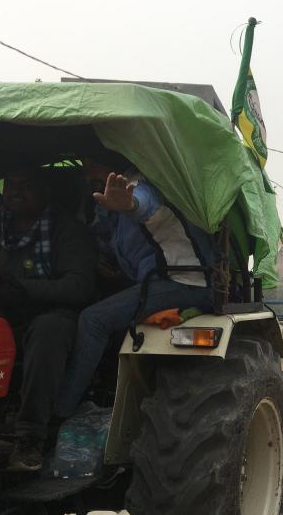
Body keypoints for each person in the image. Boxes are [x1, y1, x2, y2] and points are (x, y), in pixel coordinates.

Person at [55, 162, 213, 419]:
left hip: (184, 283)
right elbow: (102, 233)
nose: (87, 174)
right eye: (85, 169)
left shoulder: (137, 184)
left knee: (92, 320)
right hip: (153, 281)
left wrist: (129, 204)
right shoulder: (107, 206)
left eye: (92, 166)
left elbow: (141, 203)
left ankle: (58, 414)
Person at [0, 167, 97, 470]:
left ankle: (30, 439)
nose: (15, 192)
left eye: (26, 186)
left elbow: (80, 286)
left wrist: (19, 286)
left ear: (45, 192)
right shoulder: (0, 226)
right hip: (4, 311)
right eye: (11, 185)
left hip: (48, 312)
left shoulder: (67, 230)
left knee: (49, 333)